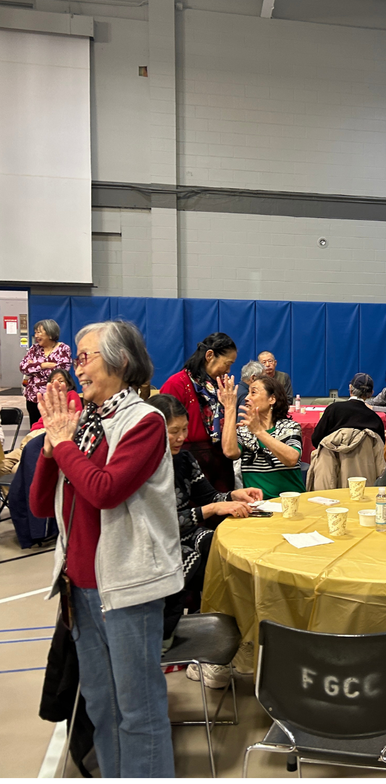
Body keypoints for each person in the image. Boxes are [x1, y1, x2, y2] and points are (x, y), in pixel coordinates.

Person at [29, 320, 183, 778]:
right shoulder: (86, 423)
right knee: (102, 705)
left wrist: (64, 444)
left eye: (85, 357)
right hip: (80, 588)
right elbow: (41, 505)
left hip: (127, 588)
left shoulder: (145, 420)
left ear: (119, 361)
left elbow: (104, 490)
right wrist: (51, 450)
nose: (76, 367)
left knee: (139, 711)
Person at [147, 394, 262, 687]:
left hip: (190, 534)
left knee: (219, 550)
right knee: (199, 561)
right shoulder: (145, 468)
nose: (182, 437)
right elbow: (163, 522)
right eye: (174, 431)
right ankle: (184, 642)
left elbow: (209, 498)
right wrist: (212, 508)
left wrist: (233, 496)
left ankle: (223, 638)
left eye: (184, 430)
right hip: (158, 545)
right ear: (155, 428)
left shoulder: (184, 459)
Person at [161, 332, 237, 492]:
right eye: (227, 364)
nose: (228, 370)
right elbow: (161, 429)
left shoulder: (221, 385)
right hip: (188, 459)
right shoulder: (177, 383)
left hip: (220, 458)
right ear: (209, 355)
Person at [220, 374, 305, 499]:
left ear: (272, 399)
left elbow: (292, 459)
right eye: (248, 392)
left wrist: (259, 431)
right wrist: (229, 408)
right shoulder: (244, 431)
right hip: (258, 506)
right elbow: (230, 452)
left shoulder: (289, 427)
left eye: (253, 392)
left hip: (291, 502)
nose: (247, 397)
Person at [19, 319, 72, 427]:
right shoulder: (34, 348)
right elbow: (23, 367)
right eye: (35, 332)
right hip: (33, 398)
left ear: (50, 332)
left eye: (39, 332)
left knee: (52, 428)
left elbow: (58, 374)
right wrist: (43, 365)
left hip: (53, 398)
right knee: (35, 428)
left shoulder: (63, 349)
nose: (36, 335)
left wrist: (33, 366)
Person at [311, 373, 385, 448]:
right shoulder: (375, 420)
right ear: (371, 394)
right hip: (364, 459)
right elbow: (381, 447)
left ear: (350, 389)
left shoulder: (333, 410)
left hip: (333, 459)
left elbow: (315, 439)